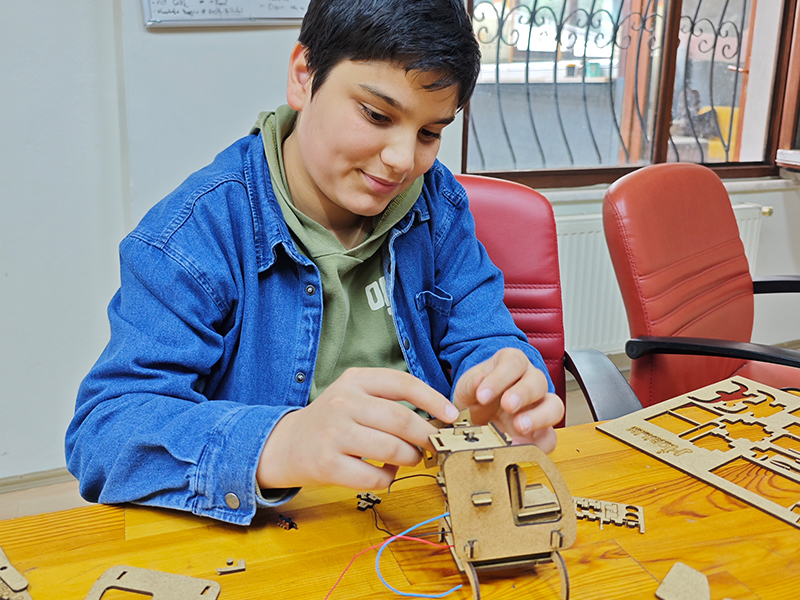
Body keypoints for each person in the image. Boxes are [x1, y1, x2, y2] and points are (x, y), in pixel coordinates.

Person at [65, 0, 564, 526]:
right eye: (377, 115)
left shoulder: (436, 202)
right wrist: (281, 442)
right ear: (304, 76)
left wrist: (506, 385)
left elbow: (487, 336)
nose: (402, 160)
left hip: (426, 510)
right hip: (285, 526)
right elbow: (104, 432)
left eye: (429, 133)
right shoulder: (193, 235)